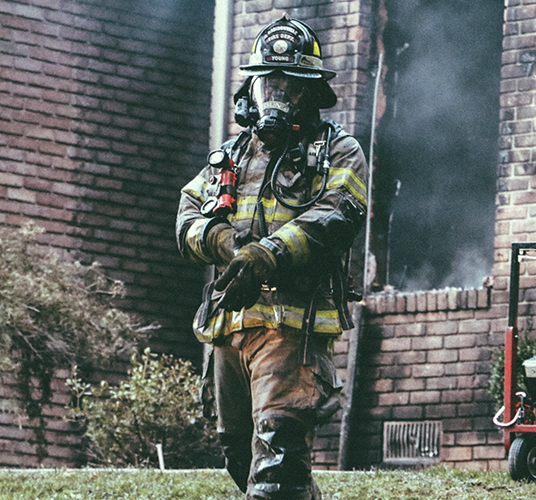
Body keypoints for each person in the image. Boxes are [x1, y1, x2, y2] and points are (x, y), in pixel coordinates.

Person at [176, 14, 368, 500]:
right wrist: (222, 242)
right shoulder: (232, 156)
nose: (276, 95)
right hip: (229, 327)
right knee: (239, 454)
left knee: (277, 458)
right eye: (268, 83)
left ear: (310, 91)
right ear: (253, 88)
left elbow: (336, 217)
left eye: (288, 84)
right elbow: (187, 216)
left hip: (292, 327)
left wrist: (266, 255)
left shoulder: (337, 152)